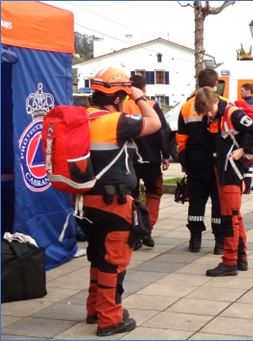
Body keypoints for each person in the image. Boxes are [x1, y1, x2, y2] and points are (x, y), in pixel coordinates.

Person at [79, 67, 161, 336]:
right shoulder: (116, 122)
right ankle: (109, 318)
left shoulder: (82, 118)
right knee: (114, 262)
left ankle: (94, 309)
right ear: (116, 98)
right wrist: (138, 96)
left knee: (98, 256)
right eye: (123, 95)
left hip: (84, 203)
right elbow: (155, 122)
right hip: (112, 204)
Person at [194, 87, 253, 276]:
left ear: (216, 101)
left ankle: (229, 261)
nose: (208, 114)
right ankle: (240, 258)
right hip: (223, 170)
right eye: (205, 112)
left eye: (210, 109)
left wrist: (243, 150)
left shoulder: (232, 114)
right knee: (236, 216)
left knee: (229, 217)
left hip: (232, 172)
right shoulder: (213, 116)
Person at [176, 69, 225, 254]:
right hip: (218, 162)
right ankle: (220, 242)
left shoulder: (187, 106)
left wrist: (183, 159)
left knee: (196, 201)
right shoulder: (224, 104)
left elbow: (181, 137)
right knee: (218, 202)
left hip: (195, 160)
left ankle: (195, 240)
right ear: (216, 84)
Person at [123, 75, 171, 251]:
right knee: (154, 193)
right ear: (144, 90)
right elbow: (162, 131)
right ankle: (147, 227)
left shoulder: (121, 106)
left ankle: (136, 229)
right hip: (151, 159)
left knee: (132, 197)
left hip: (129, 161)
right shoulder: (151, 105)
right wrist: (166, 155)